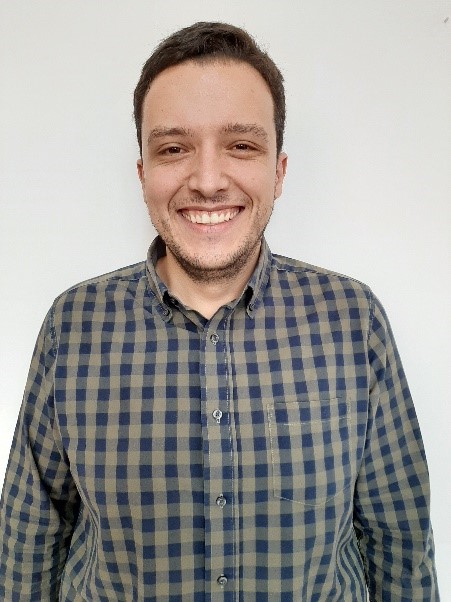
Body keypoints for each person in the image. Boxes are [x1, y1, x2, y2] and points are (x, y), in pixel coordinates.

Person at [0, 21, 439, 601]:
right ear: (142, 174)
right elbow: (29, 541)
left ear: (278, 171)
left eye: (241, 145)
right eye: (174, 149)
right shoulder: (73, 326)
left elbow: (401, 544)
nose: (207, 181)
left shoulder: (354, 322)